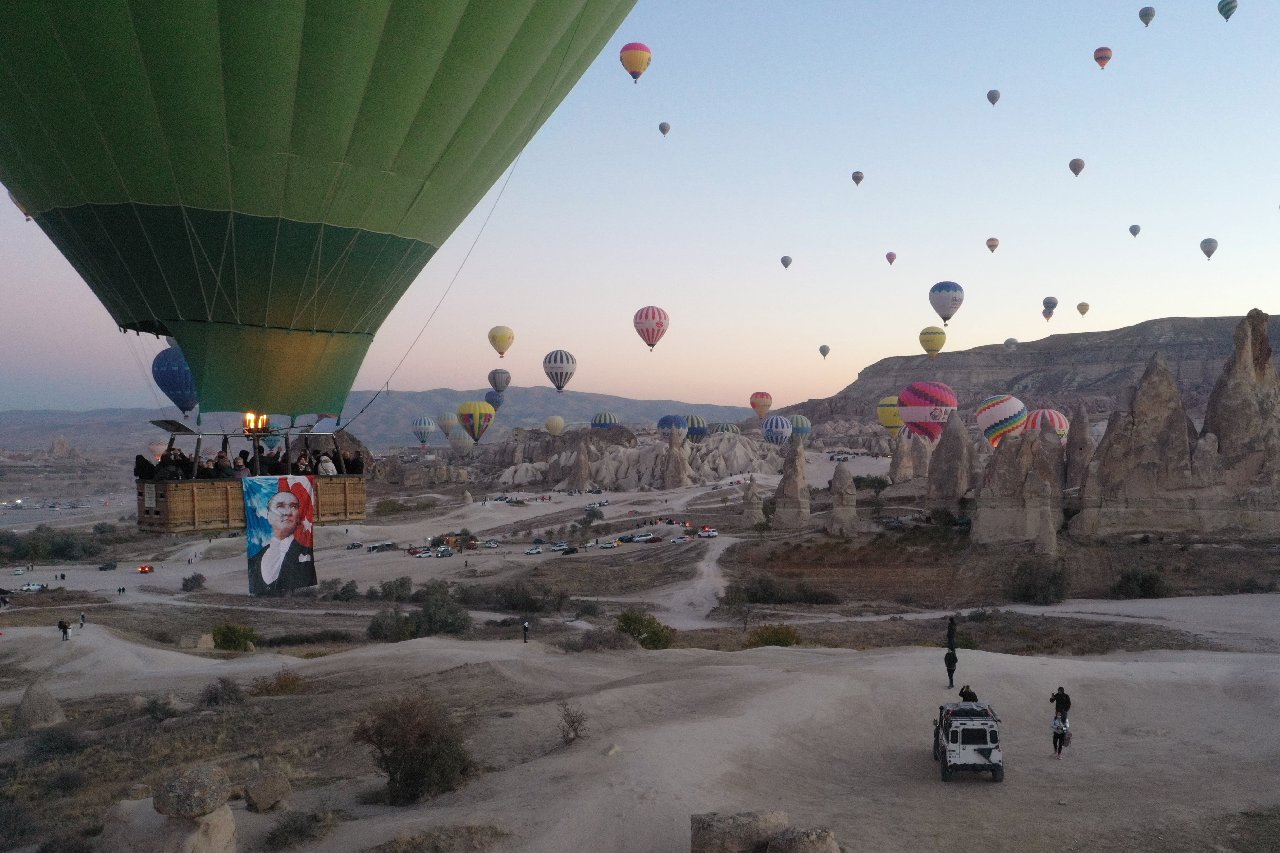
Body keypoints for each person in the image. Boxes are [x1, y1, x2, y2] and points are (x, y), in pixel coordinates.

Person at [247, 487, 316, 595]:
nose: (288, 512)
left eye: (293, 506)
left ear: (298, 517)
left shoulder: (307, 554)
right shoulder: (254, 560)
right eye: (280, 506)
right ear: (269, 516)